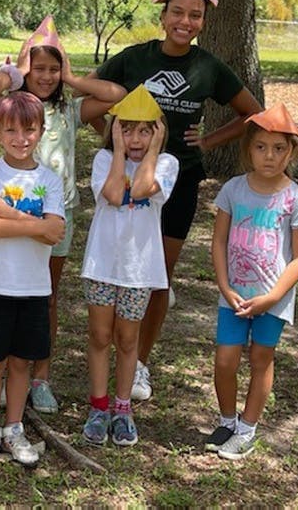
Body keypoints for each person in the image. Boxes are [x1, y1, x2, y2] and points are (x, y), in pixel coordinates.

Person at [95, 0, 262, 401]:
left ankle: (140, 362)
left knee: (156, 278)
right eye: (178, 12)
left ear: (203, 22)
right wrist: (108, 135)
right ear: (163, 14)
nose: (185, 22)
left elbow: (252, 112)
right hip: (126, 180)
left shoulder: (209, 67)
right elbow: (92, 93)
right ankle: (107, 351)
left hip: (179, 181)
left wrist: (207, 140)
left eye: (195, 15)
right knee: (113, 271)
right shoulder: (135, 58)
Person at [0, 15, 126, 412]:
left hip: (56, 218)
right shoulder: (10, 109)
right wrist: (11, 74)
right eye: (38, 68)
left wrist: (74, 79)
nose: (45, 76)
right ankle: (9, 375)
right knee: (9, 294)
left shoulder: (69, 110)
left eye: (52, 68)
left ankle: (38, 376)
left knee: (46, 297)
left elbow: (116, 94)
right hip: (9, 216)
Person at [206, 104, 298, 460]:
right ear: (247, 149)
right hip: (234, 296)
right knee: (225, 361)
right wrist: (224, 286)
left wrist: (273, 297)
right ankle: (226, 420)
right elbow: (219, 240)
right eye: (261, 147)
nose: (269, 156)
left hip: (272, 300)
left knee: (261, 359)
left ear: (291, 151)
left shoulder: (296, 198)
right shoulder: (234, 190)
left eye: (279, 148)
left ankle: (248, 428)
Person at [0, 91, 66, 472]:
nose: (20, 138)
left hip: (34, 289)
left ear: (41, 131)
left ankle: (14, 428)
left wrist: (11, 213)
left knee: (22, 363)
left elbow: (56, 232)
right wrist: (33, 223)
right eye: (11, 129)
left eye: (29, 129)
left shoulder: (49, 179)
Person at [79, 86, 179, 447]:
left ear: (158, 133)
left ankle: (123, 408)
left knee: (127, 339)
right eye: (127, 129)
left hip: (138, 270)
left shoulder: (167, 164)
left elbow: (139, 190)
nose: (135, 138)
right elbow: (112, 194)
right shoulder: (104, 160)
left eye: (145, 131)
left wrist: (152, 151)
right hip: (102, 264)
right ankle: (99, 406)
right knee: (100, 336)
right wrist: (118, 150)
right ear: (114, 129)